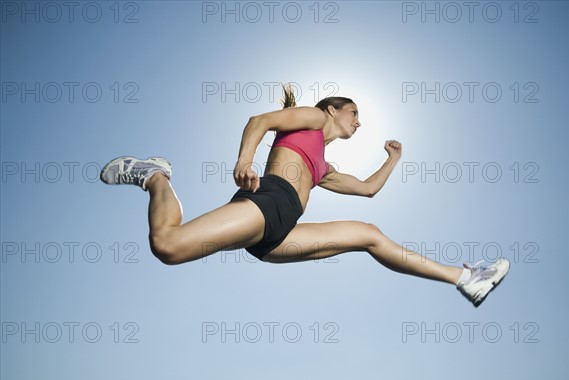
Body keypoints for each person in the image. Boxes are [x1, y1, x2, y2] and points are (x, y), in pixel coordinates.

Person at [100, 86, 509, 307]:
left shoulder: (324, 167)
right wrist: (245, 161)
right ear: (332, 109)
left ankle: (465, 278)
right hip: (268, 202)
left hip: (280, 233)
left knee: (369, 234)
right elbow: (259, 120)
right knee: (168, 246)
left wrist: (394, 159)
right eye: (353, 112)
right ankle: (156, 176)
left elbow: (367, 189)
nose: (358, 121)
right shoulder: (312, 120)